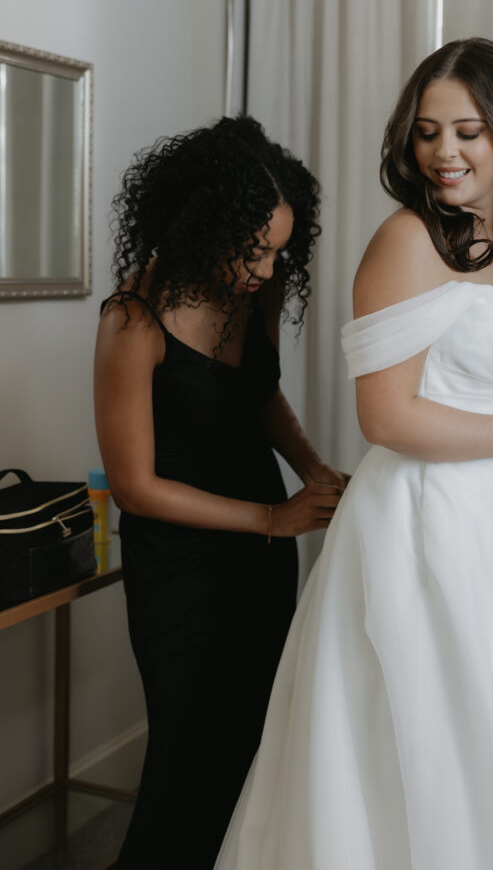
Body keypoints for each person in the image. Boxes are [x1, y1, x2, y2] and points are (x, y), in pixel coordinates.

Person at [213, 39, 493, 870]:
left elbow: (485, 375)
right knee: (435, 730)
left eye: (468, 131)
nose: (444, 152)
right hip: (423, 521)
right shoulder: (407, 238)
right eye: (426, 132)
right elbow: (386, 413)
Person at [94, 115, 346, 869]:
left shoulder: (252, 300)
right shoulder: (132, 320)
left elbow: (259, 396)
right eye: (253, 249)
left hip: (263, 550)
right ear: (203, 226)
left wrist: (311, 470)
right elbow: (135, 489)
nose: (267, 270)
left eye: (277, 251)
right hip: (178, 559)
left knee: (252, 739)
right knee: (185, 752)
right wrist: (274, 516)